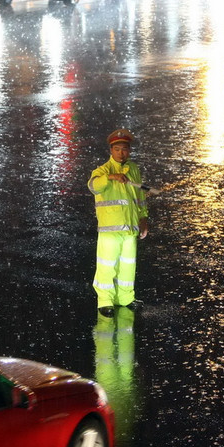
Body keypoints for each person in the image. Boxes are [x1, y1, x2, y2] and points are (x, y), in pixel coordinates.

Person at [88, 129, 150, 318]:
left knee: (128, 266)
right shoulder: (103, 171)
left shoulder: (134, 170)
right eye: (117, 149)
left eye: (124, 149)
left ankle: (125, 298)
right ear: (111, 151)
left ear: (129, 151)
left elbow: (140, 198)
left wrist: (144, 218)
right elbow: (92, 185)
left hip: (130, 228)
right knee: (107, 266)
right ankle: (105, 301)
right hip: (110, 229)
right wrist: (111, 177)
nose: (121, 153)